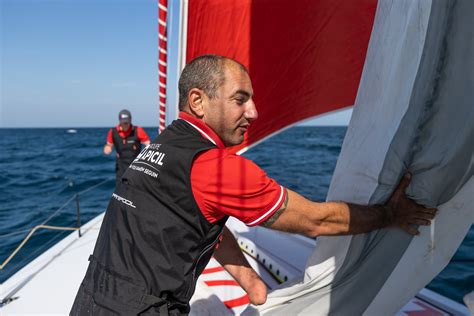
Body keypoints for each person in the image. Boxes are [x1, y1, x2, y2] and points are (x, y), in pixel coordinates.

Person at [71, 55, 436, 315]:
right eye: (240, 99)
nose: (254, 113)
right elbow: (316, 221)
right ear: (197, 101)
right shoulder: (216, 169)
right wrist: (389, 214)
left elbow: (195, 225)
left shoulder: (158, 147)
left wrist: (251, 284)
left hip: (90, 298)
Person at [104, 109, 150, 184]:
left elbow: (148, 144)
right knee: (121, 188)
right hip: (121, 166)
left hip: (136, 166)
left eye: (127, 122)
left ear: (130, 120)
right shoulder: (113, 132)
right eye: (123, 123)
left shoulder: (138, 130)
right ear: (120, 121)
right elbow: (109, 144)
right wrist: (107, 148)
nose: (125, 125)